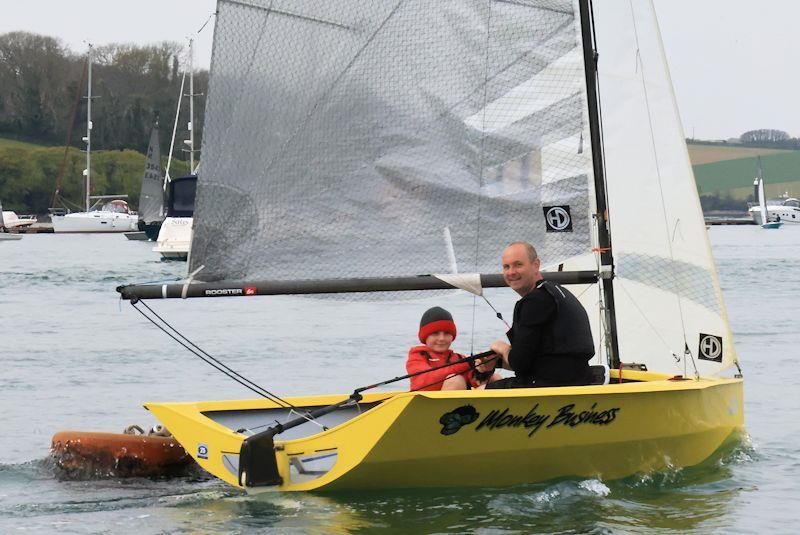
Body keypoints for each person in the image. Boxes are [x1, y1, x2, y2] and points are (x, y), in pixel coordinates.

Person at [486, 241, 594, 388]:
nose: (511, 272)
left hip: (550, 386)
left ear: (535, 265)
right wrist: (495, 362)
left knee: (480, 390)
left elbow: (520, 363)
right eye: (506, 267)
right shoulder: (558, 291)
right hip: (578, 379)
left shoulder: (535, 301)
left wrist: (502, 348)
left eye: (518, 265)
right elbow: (534, 360)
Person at [406, 306, 499, 391]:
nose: (441, 338)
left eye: (446, 333)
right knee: (455, 380)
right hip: (426, 404)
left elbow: (476, 382)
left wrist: (484, 370)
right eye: (435, 333)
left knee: (495, 378)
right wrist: (465, 365)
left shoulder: (460, 358)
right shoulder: (417, 356)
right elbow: (425, 381)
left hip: (462, 405)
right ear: (424, 336)